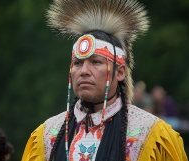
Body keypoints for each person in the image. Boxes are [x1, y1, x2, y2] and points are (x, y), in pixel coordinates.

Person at [22, 0, 188, 160]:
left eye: (96, 62)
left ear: (120, 72)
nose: (84, 71)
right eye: (77, 63)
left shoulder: (152, 135)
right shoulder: (47, 136)